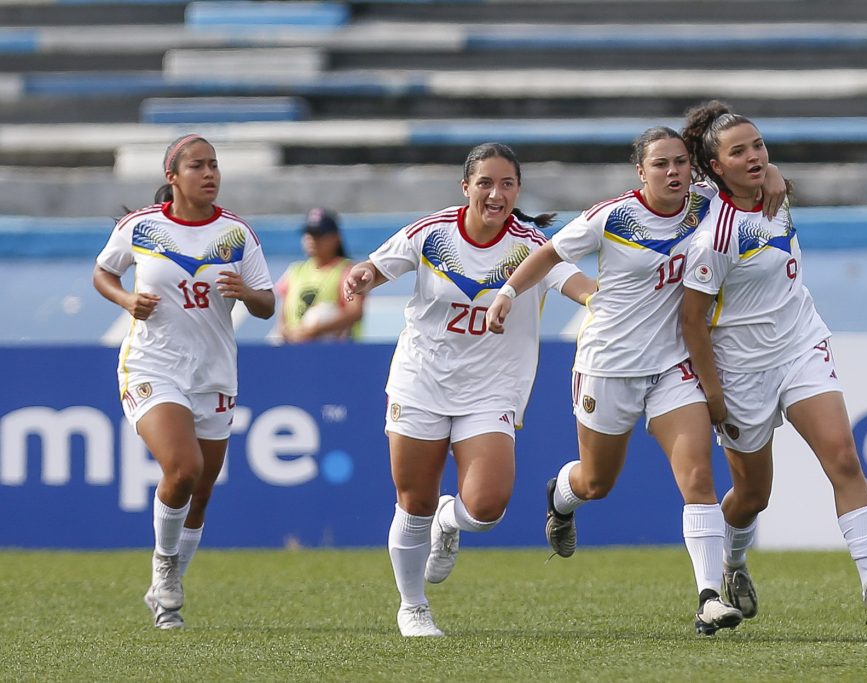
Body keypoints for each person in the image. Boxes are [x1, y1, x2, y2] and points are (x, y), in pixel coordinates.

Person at [485, 126, 785, 636]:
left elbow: (751, 180)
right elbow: (549, 254)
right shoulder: (613, 216)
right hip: (609, 365)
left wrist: (774, 173)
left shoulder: (705, 205)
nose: (672, 172)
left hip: (674, 365)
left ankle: (709, 598)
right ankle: (562, 495)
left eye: (680, 163)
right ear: (640, 172)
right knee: (597, 482)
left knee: (699, 479)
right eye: (660, 164)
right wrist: (507, 294)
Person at [343, 142, 595, 637]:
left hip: (491, 390)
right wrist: (362, 275)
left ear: (518, 190)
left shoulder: (533, 245)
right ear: (466, 188)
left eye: (506, 184)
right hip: (422, 379)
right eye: (485, 182)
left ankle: (449, 521)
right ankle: (412, 606)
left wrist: (602, 300)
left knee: (485, 506)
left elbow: (576, 283)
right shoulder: (432, 233)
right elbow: (377, 266)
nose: (496, 193)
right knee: (412, 500)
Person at [679, 100, 867, 625]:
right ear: (715, 166)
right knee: (754, 495)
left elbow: (768, 181)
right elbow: (692, 320)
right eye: (738, 152)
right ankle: (734, 563)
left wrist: (771, 175)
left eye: (759, 146)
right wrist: (713, 392)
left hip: (800, 345)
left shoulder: (774, 194)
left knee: (844, 457)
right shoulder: (713, 232)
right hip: (740, 369)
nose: (755, 157)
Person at [93, 133, 275, 630]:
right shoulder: (140, 227)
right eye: (197, 165)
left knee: (201, 491)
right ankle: (165, 565)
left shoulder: (237, 234)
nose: (210, 173)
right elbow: (103, 273)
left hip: (213, 373)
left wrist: (247, 293)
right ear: (172, 177)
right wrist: (127, 301)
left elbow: (267, 305)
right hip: (152, 366)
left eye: (214, 164)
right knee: (183, 467)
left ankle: (167, 597)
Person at [275, 208, 364, 343]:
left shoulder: (348, 270)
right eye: (308, 234)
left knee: (324, 313)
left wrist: (315, 331)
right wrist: (290, 333)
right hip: (297, 349)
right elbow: (283, 319)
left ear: (336, 238)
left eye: (318, 234)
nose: (311, 240)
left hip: (337, 350)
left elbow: (354, 312)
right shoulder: (294, 271)